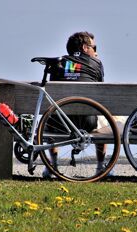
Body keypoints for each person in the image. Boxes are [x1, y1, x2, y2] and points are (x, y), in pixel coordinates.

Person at [43, 31, 107, 177]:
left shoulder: (57, 63)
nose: (95, 52)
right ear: (85, 48)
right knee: (102, 113)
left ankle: (52, 166)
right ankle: (100, 167)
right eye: (94, 48)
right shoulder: (96, 64)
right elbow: (101, 91)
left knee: (54, 113)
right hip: (87, 123)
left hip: (58, 123)